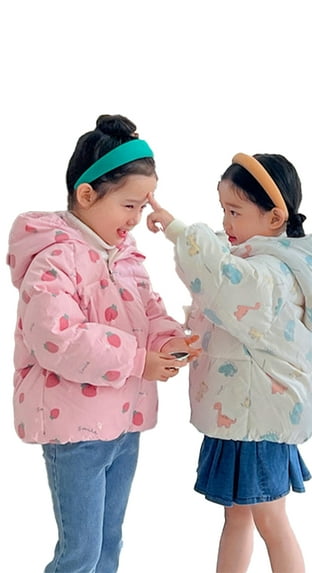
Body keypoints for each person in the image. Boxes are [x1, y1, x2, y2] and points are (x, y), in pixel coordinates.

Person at [7, 114, 196, 573]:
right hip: (76, 429)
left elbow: (149, 311)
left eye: (142, 208)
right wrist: (138, 360)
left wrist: (173, 340)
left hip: (124, 424)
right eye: (129, 205)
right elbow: (58, 338)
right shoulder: (53, 259)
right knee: (81, 554)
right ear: (87, 194)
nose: (136, 220)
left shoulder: (126, 256)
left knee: (109, 545)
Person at [147, 152, 312, 573]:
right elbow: (218, 256)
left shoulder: (272, 272)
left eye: (235, 211)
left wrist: (185, 233)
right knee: (238, 516)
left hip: (258, 419)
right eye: (223, 210)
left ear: (274, 218)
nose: (226, 222)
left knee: (271, 519)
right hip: (243, 415)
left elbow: (219, 274)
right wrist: (175, 227)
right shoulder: (259, 258)